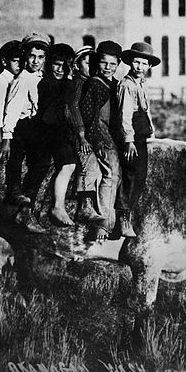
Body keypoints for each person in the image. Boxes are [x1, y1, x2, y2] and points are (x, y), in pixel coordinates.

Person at [22, 43, 78, 226]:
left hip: (56, 132)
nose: (60, 69)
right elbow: (51, 115)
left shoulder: (63, 83)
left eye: (65, 65)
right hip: (44, 131)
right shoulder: (46, 83)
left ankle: (59, 206)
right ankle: (29, 210)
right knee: (42, 165)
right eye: (56, 64)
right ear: (49, 63)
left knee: (71, 163)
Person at [2, 32, 51, 233]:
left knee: (43, 159)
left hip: (35, 124)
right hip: (22, 125)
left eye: (40, 57)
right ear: (25, 57)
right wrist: (7, 136)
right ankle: (22, 203)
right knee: (30, 160)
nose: (36, 61)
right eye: (32, 56)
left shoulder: (40, 76)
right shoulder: (22, 79)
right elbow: (12, 109)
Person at [113, 41, 159, 238]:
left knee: (140, 176)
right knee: (130, 175)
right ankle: (122, 218)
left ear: (149, 66)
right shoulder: (126, 85)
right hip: (129, 137)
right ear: (130, 63)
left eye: (143, 64)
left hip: (140, 135)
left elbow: (145, 111)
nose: (139, 67)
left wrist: (151, 133)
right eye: (136, 63)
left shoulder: (141, 84)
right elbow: (125, 115)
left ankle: (131, 214)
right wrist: (128, 140)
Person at [78, 40, 123, 241]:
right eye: (104, 63)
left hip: (114, 136)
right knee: (110, 175)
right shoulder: (94, 83)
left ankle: (116, 221)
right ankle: (103, 224)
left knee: (118, 176)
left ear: (118, 65)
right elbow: (89, 114)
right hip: (101, 136)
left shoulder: (116, 84)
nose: (108, 68)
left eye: (112, 65)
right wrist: (98, 140)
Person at [64, 45, 101, 223]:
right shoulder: (78, 83)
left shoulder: (92, 82)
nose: (92, 67)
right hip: (76, 132)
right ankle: (84, 204)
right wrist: (81, 134)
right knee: (88, 157)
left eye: (94, 63)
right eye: (87, 63)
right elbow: (72, 108)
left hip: (91, 131)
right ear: (78, 65)